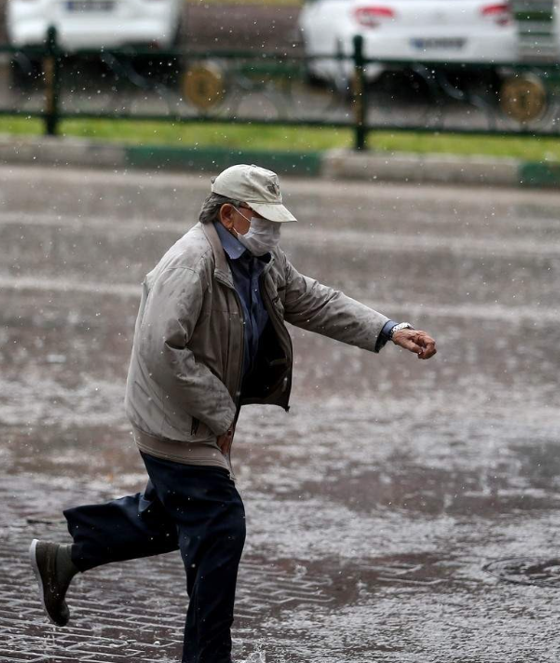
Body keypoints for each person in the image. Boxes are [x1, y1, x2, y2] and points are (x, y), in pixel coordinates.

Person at [28, 164, 437, 663]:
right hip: (172, 421)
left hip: (204, 417)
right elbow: (163, 351)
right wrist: (222, 415)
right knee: (221, 526)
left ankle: (65, 558)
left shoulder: (260, 259)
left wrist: (387, 329)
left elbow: (309, 298)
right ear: (228, 213)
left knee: (169, 518)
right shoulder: (191, 261)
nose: (274, 229)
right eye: (263, 218)